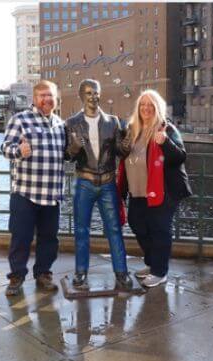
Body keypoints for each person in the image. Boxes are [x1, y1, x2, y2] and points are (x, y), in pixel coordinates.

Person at [117, 89, 192, 287]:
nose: (146, 108)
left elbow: (180, 157)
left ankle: (160, 271)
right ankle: (153, 263)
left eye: (151, 105)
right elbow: (124, 157)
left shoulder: (166, 130)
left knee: (160, 230)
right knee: (137, 224)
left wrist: (165, 143)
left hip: (163, 191)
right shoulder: (133, 130)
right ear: (138, 108)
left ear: (157, 108)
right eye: (143, 105)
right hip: (138, 190)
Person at [65, 79, 133, 290]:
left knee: (114, 229)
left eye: (95, 92)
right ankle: (81, 273)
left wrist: (126, 146)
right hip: (84, 182)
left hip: (107, 183)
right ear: (81, 95)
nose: (93, 97)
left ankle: (121, 273)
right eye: (88, 93)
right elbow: (67, 156)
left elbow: (120, 153)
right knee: (81, 230)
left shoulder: (112, 122)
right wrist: (75, 148)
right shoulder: (72, 123)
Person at [0, 80, 66, 296]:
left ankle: (43, 274)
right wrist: (19, 151)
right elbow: (5, 148)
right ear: (35, 99)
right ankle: (17, 276)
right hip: (25, 193)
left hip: (51, 194)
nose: (47, 99)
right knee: (21, 237)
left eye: (51, 95)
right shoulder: (20, 120)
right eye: (43, 95)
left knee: (49, 238)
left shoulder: (59, 124)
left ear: (56, 98)